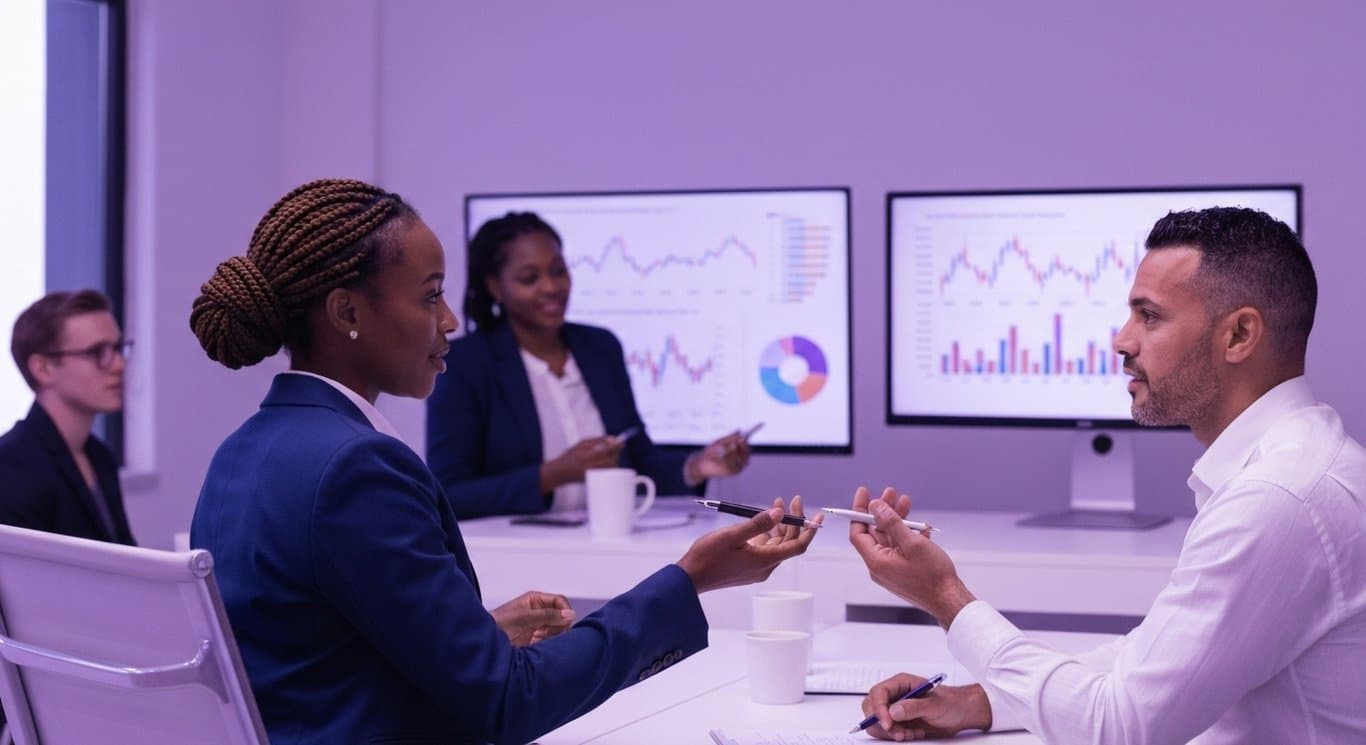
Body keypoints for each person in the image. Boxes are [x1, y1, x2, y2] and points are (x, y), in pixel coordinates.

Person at [188, 179, 819, 744]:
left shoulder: (239, 452)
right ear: (347, 312)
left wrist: (476, 633)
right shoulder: (359, 469)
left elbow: (318, 661)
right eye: (430, 296)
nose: (450, 320)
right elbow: (506, 703)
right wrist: (690, 579)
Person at [847, 207, 1366, 743]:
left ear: (1238, 335)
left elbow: (1119, 727)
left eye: (1150, 316)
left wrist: (944, 595)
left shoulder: (1277, 499)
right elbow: (1152, 663)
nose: (1122, 340)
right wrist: (978, 702)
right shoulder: (1298, 461)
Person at [426, 211, 752, 520]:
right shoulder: (467, 365)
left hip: (603, 548)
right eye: (530, 278)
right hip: (513, 555)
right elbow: (450, 495)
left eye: (558, 270)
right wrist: (552, 474)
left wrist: (699, 466)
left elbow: (638, 461)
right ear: (496, 287)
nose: (552, 287)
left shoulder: (599, 348)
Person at [0, 289, 136, 545]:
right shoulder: (10, 467)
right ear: (43, 368)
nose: (119, 364)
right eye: (97, 352)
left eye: (117, 348)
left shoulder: (100, 456)